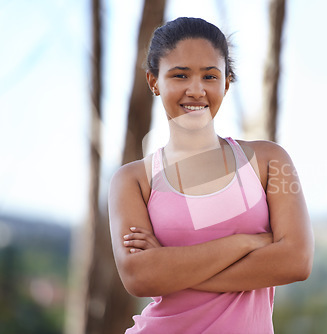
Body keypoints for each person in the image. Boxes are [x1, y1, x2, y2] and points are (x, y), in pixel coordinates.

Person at [108, 17, 314, 334]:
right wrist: (248, 242)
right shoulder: (133, 180)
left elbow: (296, 261)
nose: (196, 89)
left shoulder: (270, 161)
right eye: (180, 75)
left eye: (210, 76)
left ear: (226, 82)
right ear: (154, 81)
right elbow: (139, 277)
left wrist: (169, 265)